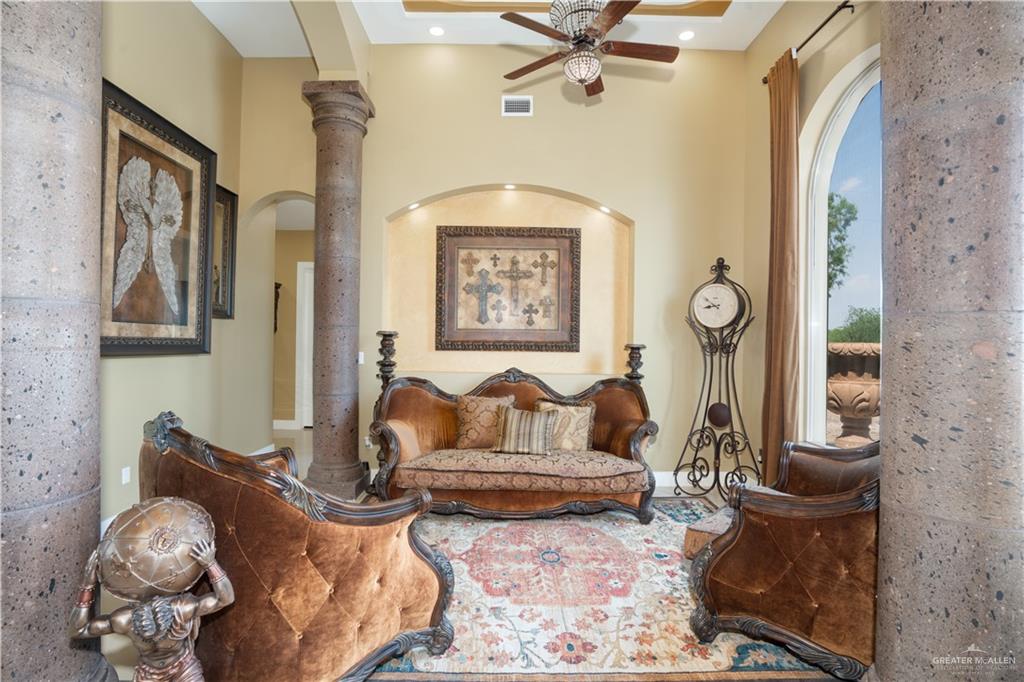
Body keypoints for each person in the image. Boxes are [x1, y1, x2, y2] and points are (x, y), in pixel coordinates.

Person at [68, 538, 234, 682]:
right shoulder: (124, 620)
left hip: (183, 666)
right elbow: (79, 630)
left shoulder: (181, 609)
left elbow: (225, 598)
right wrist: (88, 584)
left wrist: (210, 563)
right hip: (149, 673)